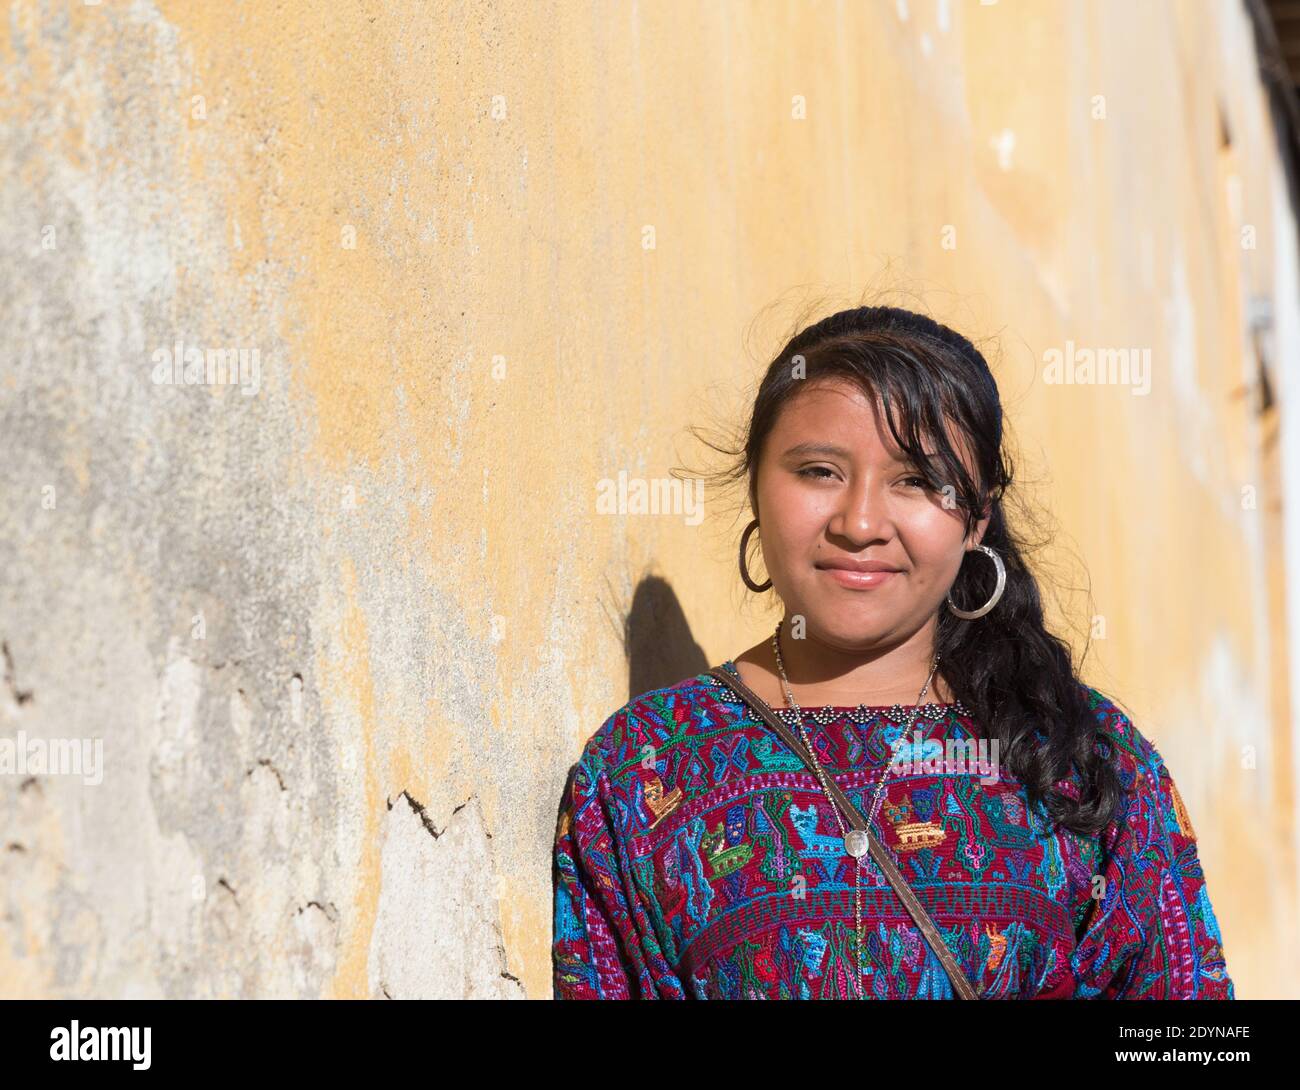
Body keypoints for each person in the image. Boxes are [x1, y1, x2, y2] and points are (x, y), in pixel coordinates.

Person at [552, 304, 1233, 999]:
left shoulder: (1079, 758)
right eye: (818, 471)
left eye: (916, 481)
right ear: (757, 486)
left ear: (977, 519)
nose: (861, 524)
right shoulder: (642, 772)